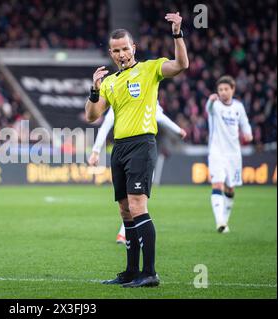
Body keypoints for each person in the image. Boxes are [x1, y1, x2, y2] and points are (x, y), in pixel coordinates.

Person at [84, 12, 189, 288]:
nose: (121, 54)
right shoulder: (110, 82)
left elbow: (181, 65)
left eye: (125, 48)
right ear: (111, 52)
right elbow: (92, 116)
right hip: (119, 148)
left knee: (138, 205)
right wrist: (94, 91)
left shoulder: (150, 69)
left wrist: (177, 33)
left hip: (142, 144)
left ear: (134, 48)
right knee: (124, 209)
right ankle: (131, 271)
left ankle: (150, 272)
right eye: (116, 50)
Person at [88, 102, 187, 244]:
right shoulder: (118, 94)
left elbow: (159, 116)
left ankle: (126, 235)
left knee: (137, 202)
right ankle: (130, 238)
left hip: (143, 153)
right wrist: (96, 150)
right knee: (129, 203)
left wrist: (177, 130)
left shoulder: (146, 92)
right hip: (125, 154)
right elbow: (106, 124)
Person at [206, 75, 252, 233]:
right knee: (217, 183)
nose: (223, 92)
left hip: (234, 154)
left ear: (233, 89)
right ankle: (220, 221)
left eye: (226, 89)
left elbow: (245, 122)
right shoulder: (215, 105)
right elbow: (208, 109)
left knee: (230, 188)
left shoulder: (238, 106)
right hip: (216, 151)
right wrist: (210, 100)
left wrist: (248, 133)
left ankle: (225, 220)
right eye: (220, 89)